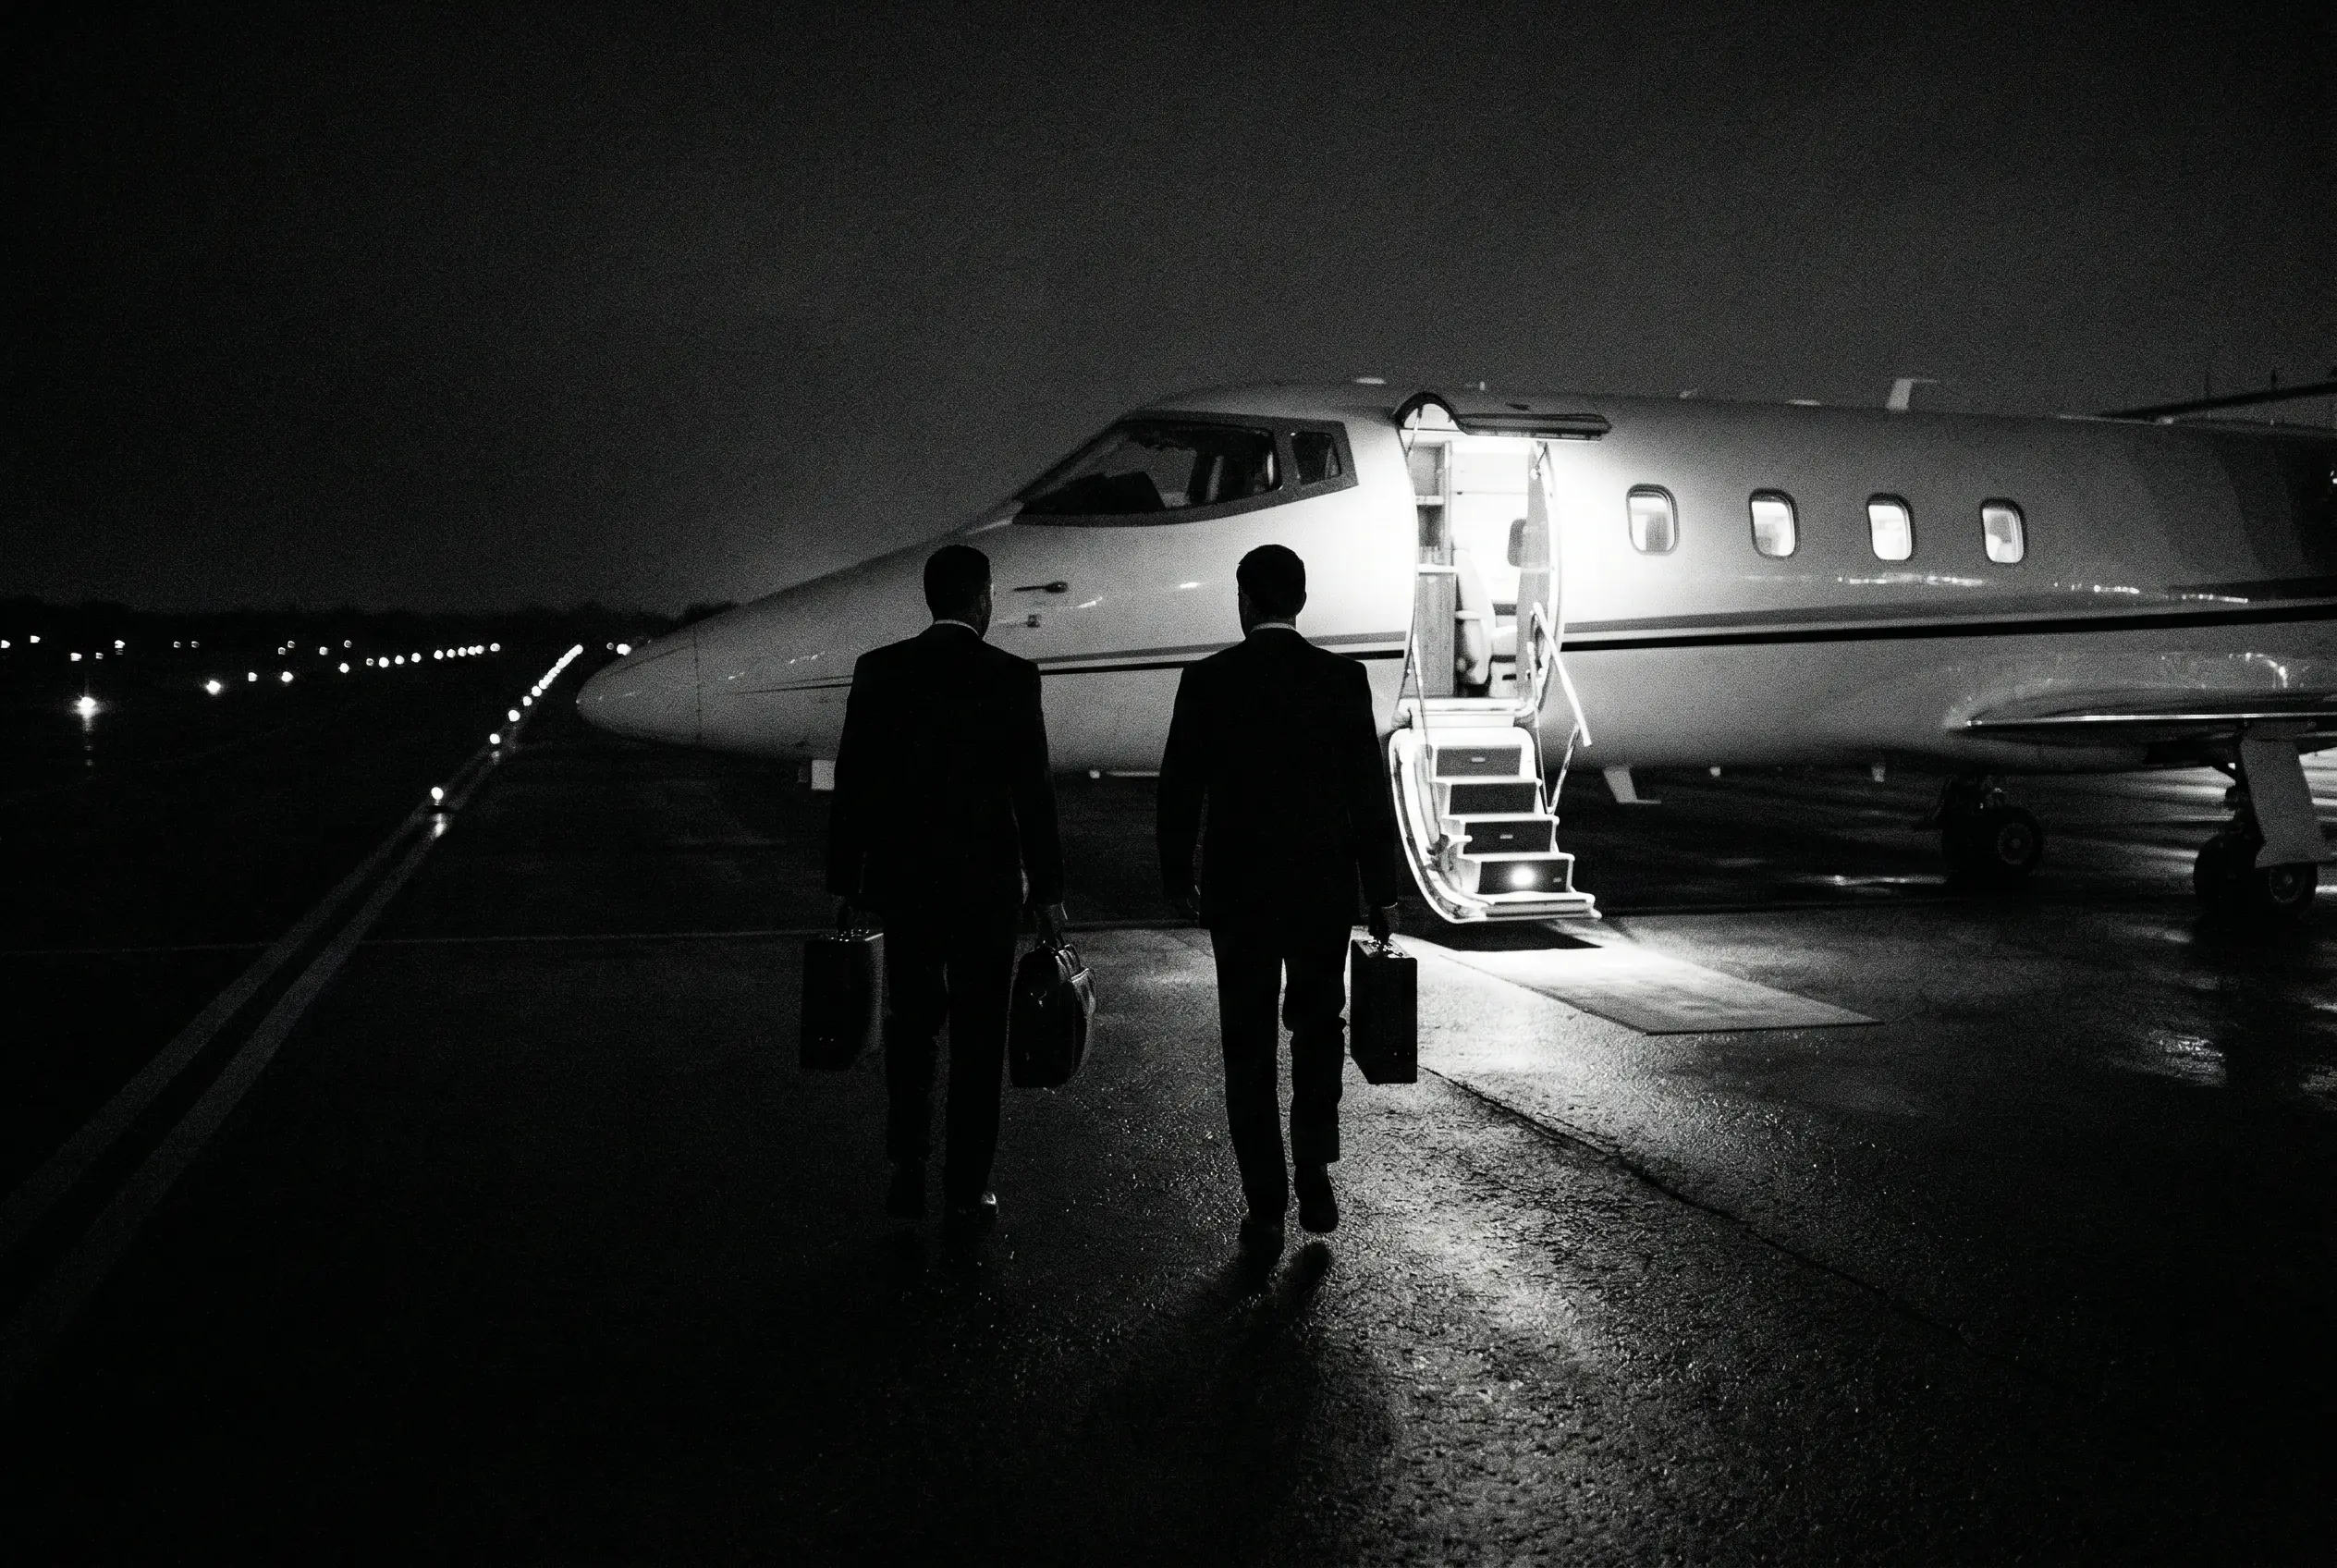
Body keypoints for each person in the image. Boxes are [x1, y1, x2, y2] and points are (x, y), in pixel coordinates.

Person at [1156, 544, 1404, 1256]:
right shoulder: (1343, 679)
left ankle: (1265, 1204)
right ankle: (1316, 1169)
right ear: (1299, 600)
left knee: (1248, 1049)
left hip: (1239, 894)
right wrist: (1381, 891)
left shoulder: (1208, 680)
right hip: (1322, 891)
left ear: (1245, 599)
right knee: (1319, 1029)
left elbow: (1180, 787)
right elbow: (1366, 793)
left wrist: (1179, 877)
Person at [827, 543, 1066, 1239]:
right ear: (981, 598)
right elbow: (1035, 796)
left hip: (905, 884)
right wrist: (1048, 891)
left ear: (931, 598)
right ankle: (967, 1190)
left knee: (911, 1026)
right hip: (986, 890)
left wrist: (845, 880)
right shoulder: (1014, 677)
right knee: (979, 1037)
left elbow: (854, 787)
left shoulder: (881, 671)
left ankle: (906, 1166)